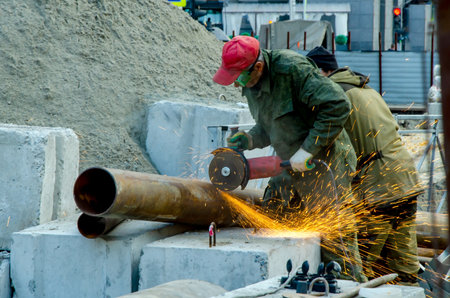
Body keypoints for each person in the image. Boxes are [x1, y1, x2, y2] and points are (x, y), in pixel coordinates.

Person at [213, 36, 367, 282]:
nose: (235, 84)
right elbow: (271, 127)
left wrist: (308, 150)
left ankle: (350, 285)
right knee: (276, 213)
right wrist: (250, 139)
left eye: (239, 76)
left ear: (259, 66)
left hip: (326, 160)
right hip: (292, 162)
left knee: (334, 237)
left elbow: (338, 105)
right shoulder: (252, 84)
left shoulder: (292, 70)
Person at [306, 46, 424, 285]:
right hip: (405, 177)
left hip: (379, 184)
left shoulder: (335, 95)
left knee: (363, 266)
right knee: (404, 264)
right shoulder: (363, 87)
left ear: (321, 71)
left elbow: (329, 147)